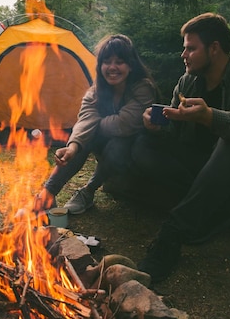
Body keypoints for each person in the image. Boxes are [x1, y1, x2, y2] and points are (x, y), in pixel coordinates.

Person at [133, 13, 230, 282]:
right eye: (184, 48)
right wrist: (157, 126)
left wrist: (210, 117)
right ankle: (212, 208)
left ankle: (172, 234)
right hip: (203, 168)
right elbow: (175, 134)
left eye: (191, 48)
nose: (183, 55)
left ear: (214, 48)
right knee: (143, 146)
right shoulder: (188, 82)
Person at [34, 34, 158, 215]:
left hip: (137, 157)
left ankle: (88, 191)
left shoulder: (143, 88)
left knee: (113, 140)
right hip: (111, 155)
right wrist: (72, 147)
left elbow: (125, 124)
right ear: (100, 66)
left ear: (130, 65)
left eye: (119, 62)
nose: (112, 67)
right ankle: (47, 194)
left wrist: (94, 125)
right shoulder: (96, 90)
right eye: (107, 62)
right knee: (82, 137)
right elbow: (85, 119)